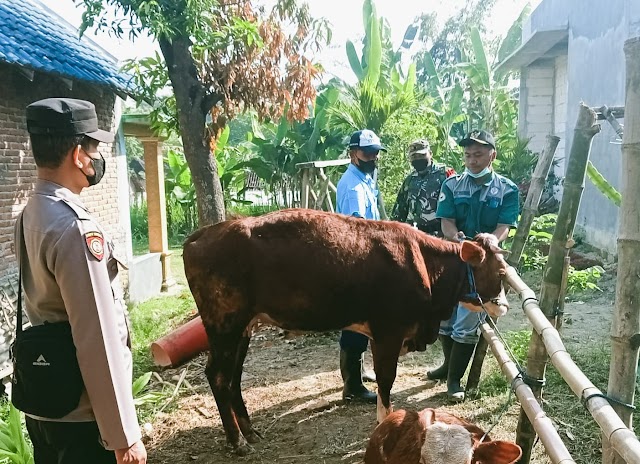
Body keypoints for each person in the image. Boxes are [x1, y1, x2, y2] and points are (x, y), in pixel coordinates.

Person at [15, 98, 147, 463]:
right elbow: (96, 337)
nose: (96, 159)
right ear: (77, 155)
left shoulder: (30, 214)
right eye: (94, 148)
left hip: (45, 403)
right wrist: (123, 436)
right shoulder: (73, 228)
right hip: (82, 419)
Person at [431, 129, 519, 402]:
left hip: (485, 263)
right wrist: (454, 236)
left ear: (492, 155)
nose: (472, 160)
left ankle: (455, 380)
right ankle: (447, 367)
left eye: (478, 154)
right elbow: (446, 220)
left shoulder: (507, 189)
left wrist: (494, 238)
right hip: (456, 256)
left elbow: (504, 225)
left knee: (468, 319)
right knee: (445, 318)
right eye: (468, 155)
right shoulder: (452, 185)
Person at [335, 129, 386, 403]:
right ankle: (352, 386)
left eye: (376, 152)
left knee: (361, 320)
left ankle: (357, 372)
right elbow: (358, 231)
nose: (373, 158)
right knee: (355, 323)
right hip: (358, 262)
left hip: (364, 261)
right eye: (367, 153)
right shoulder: (354, 187)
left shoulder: (364, 178)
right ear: (354, 153)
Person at [390, 139, 455, 236]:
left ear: (430, 153)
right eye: (414, 156)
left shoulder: (445, 175)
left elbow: (457, 208)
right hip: (412, 236)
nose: (418, 158)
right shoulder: (409, 180)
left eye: (422, 155)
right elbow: (399, 212)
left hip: (438, 238)